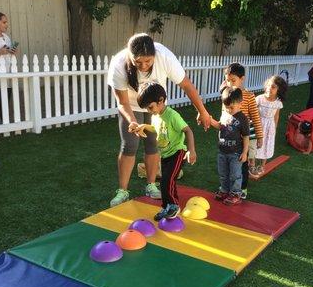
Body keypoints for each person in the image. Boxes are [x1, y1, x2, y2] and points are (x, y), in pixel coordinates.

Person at [107, 33, 210, 207]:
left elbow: (186, 85)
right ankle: (123, 190)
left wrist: (203, 111)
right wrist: (133, 122)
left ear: (154, 55)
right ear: (130, 56)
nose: (143, 66)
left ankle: (151, 185)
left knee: (154, 144)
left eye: (148, 61)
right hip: (131, 106)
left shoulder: (164, 56)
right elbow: (122, 102)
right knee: (129, 145)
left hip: (156, 106)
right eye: (138, 62)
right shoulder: (118, 64)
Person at [134, 82, 196, 220]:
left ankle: (173, 206)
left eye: (151, 107)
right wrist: (144, 126)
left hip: (177, 152)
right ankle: (166, 207)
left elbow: (188, 130)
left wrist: (191, 151)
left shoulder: (172, 115)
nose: (150, 111)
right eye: (147, 109)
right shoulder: (156, 116)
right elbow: (155, 129)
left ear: (161, 100)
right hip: (165, 154)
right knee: (165, 181)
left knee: (167, 180)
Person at [222, 63, 262, 199]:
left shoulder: (249, 96)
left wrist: (260, 136)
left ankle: (242, 188)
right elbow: (224, 114)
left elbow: (256, 117)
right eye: (227, 80)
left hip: (245, 137)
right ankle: (227, 187)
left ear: (242, 78)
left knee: (243, 162)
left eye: (233, 80)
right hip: (230, 137)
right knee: (229, 163)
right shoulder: (226, 94)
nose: (230, 83)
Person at [210, 86, 249, 205]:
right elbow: (219, 126)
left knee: (235, 175)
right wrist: (210, 120)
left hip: (235, 153)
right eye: (227, 107)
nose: (229, 110)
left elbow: (246, 136)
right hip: (222, 151)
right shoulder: (225, 114)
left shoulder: (242, 119)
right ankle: (224, 190)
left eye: (231, 107)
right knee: (223, 173)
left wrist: (245, 152)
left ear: (240, 104)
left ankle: (236, 193)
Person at [253, 75, 287, 175]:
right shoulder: (259, 99)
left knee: (267, 144)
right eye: (268, 86)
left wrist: (274, 128)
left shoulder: (278, 103)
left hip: (270, 126)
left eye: (273, 87)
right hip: (258, 124)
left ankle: (262, 165)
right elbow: (253, 112)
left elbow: (276, 116)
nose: (269, 89)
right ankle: (252, 165)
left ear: (279, 90)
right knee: (255, 144)